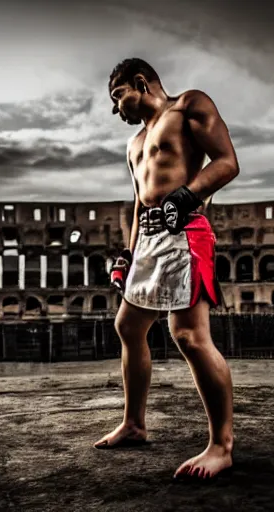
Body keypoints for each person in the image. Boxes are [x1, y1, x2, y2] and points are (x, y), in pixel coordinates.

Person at [95, 58, 239, 482]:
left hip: (186, 232)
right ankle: (135, 425)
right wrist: (129, 253)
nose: (114, 108)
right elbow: (140, 204)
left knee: (190, 336)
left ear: (139, 83)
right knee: (129, 326)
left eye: (117, 96)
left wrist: (185, 198)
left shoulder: (189, 106)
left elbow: (227, 162)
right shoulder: (135, 144)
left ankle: (221, 445)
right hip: (150, 241)